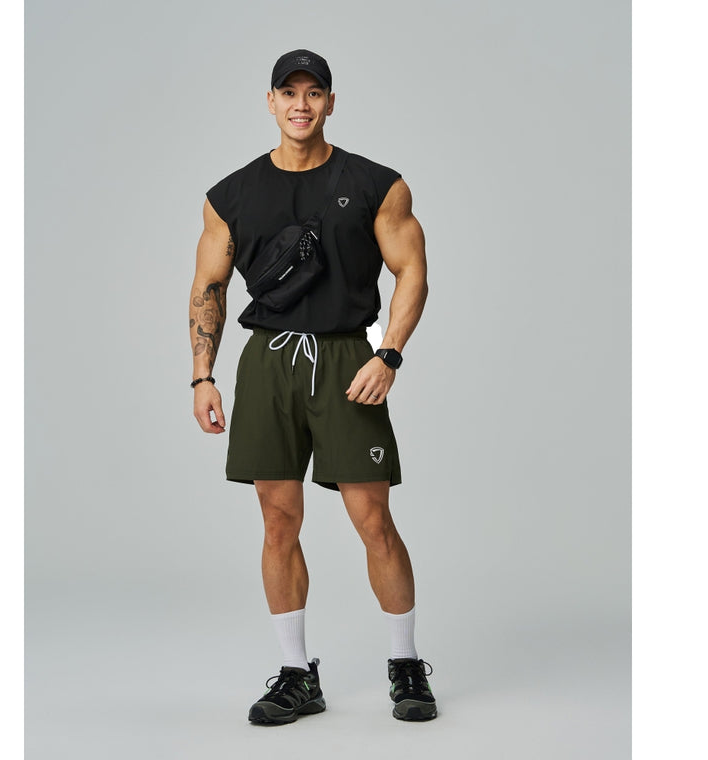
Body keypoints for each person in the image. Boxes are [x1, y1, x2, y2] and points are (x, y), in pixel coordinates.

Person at [189, 49, 437, 724]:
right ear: (270, 101)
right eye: (288, 92)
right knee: (278, 520)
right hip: (267, 360)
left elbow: (412, 271)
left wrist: (388, 354)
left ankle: (405, 664)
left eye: (314, 93)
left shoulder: (377, 184)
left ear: (330, 102)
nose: (301, 104)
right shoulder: (231, 194)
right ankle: (298, 675)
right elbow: (209, 286)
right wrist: (203, 375)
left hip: (346, 358)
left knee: (373, 520)